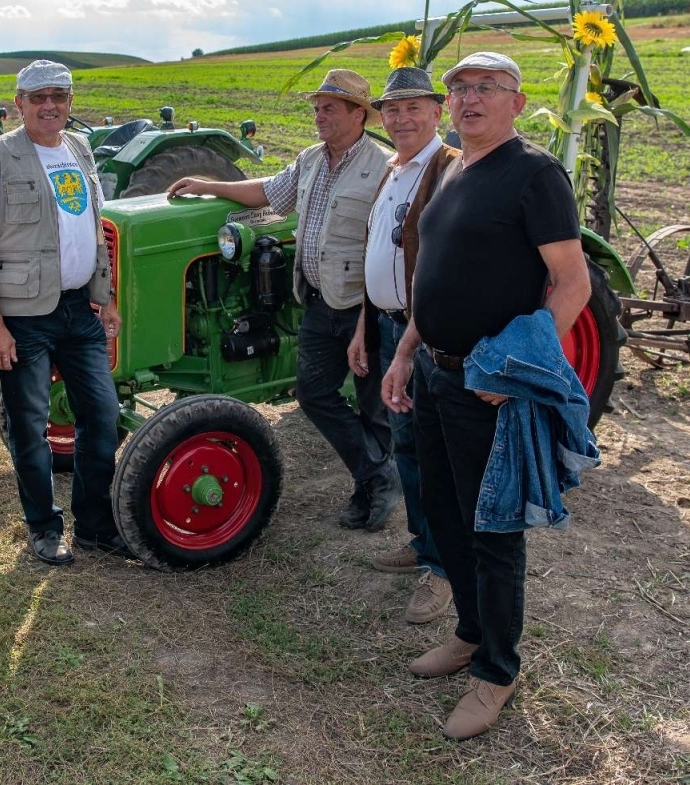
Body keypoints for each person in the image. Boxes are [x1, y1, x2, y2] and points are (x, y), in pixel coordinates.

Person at [381, 51, 591, 740]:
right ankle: (469, 633)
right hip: (437, 374)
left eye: (486, 88)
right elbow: (434, 274)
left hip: (487, 383)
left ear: (517, 101)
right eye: (460, 88)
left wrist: (517, 368)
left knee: (493, 529)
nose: (469, 99)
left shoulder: (534, 174)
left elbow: (571, 283)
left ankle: (497, 671)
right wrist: (407, 350)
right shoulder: (453, 172)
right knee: (444, 511)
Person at [168, 69, 397, 530]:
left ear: (358, 114)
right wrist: (209, 184)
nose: (319, 116)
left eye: (329, 108)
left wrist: (365, 322)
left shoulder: (384, 168)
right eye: (316, 108)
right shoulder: (311, 159)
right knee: (313, 395)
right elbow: (268, 194)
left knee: (373, 405)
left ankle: (371, 490)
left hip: (360, 306)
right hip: (315, 298)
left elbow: (386, 250)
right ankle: (379, 476)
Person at [0, 59, 125, 566]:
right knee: (30, 424)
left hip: (79, 308)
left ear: (70, 102)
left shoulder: (79, 149)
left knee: (101, 417)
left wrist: (108, 295)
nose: (50, 105)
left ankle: (95, 526)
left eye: (59, 96)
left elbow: (94, 226)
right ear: (19, 104)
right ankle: (43, 528)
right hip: (24, 318)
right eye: (38, 98)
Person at [347, 67, 460, 625]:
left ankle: (442, 572)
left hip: (424, 338)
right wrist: (364, 327)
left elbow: (439, 265)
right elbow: (381, 256)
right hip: (390, 328)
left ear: (438, 112)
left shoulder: (447, 169)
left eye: (414, 107)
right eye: (392, 110)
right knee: (407, 446)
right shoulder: (395, 171)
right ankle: (422, 543)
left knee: (434, 452)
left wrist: (408, 345)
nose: (402, 118)